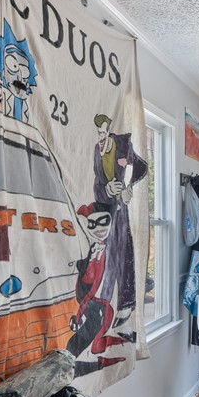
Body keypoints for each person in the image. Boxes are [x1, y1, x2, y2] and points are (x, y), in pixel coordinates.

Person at [91, 114, 146, 324]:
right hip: (105, 208)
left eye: (103, 133)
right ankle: (105, 301)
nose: (101, 138)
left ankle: (124, 304)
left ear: (110, 130)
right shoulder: (97, 150)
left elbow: (140, 167)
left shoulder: (124, 145)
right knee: (107, 252)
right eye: (98, 134)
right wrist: (106, 188)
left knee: (122, 251)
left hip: (121, 209)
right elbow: (97, 183)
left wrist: (128, 187)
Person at [67, 203, 127, 376]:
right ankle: (90, 361)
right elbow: (86, 284)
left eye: (103, 222)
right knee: (78, 343)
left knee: (89, 335)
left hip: (98, 303)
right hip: (90, 302)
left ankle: (95, 360)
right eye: (93, 224)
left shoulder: (111, 248)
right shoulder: (93, 250)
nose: (98, 228)